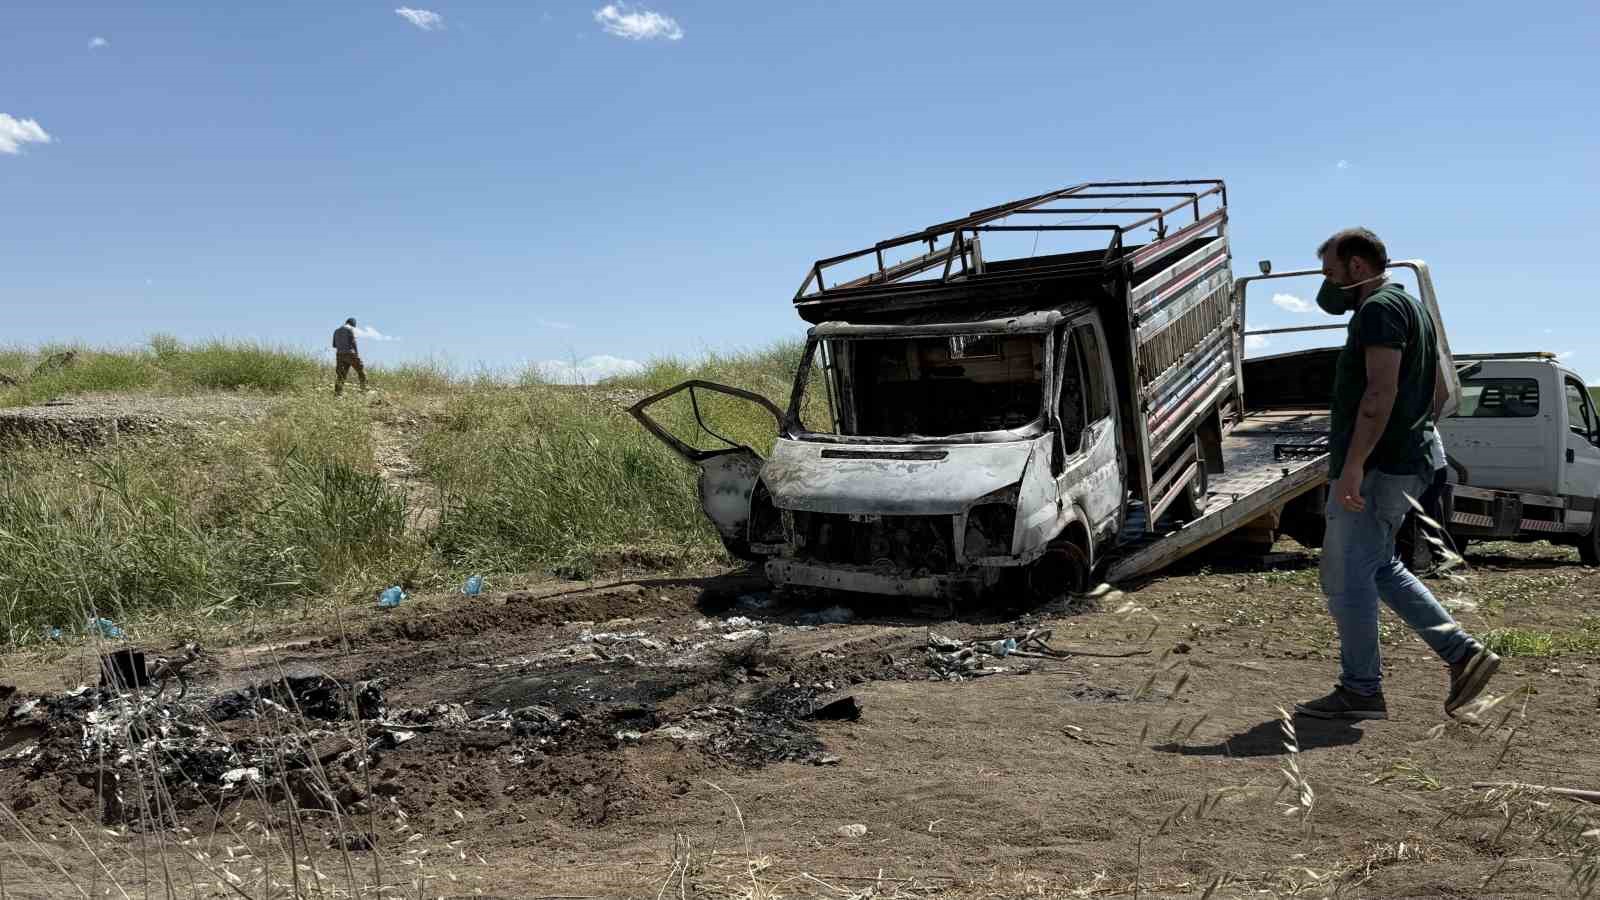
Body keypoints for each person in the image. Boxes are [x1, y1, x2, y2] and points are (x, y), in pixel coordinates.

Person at [1295, 228, 1498, 721]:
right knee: (1379, 566)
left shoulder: (1379, 310)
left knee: (1346, 577)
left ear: (1357, 267)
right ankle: (1463, 654)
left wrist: (1353, 466)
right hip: (1405, 460)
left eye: (1330, 272)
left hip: (1379, 467)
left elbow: (1379, 393)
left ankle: (1361, 689)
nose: (1327, 284)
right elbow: (1435, 389)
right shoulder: (1409, 306)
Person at [332, 317, 368, 395]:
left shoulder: (336, 331)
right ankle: (363, 390)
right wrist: (356, 354)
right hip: (350, 353)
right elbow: (353, 342)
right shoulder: (350, 329)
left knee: (341, 375)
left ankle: (337, 393)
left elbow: (334, 345)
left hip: (340, 355)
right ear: (352, 324)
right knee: (361, 371)